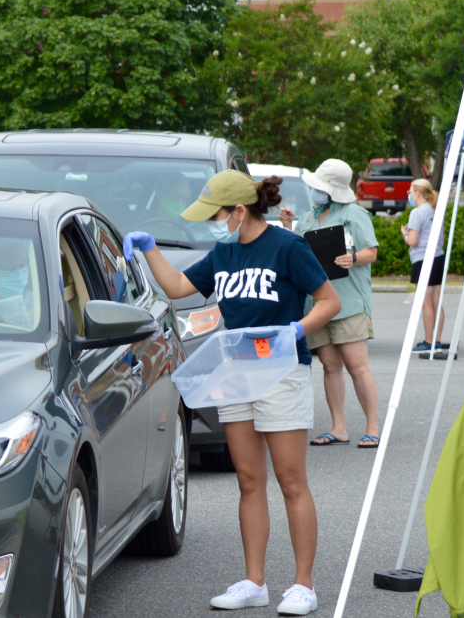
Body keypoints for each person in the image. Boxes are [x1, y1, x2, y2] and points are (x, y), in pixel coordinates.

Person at [123, 170, 341, 615]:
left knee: (291, 480)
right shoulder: (223, 252)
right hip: (238, 370)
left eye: (216, 214)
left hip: (281, 371)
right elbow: (180, 288)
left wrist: (295, 330)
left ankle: (303, 585)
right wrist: (150, 250)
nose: (212, 222)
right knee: (248, 480)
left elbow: (329, 301)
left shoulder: (288, 247)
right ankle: (254, 581)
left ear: (239, 211)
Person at [278, 159, 381, 450]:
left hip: (349, 302)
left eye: (319, 187)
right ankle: (339, 427)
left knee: (357, 365)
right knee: (330, 365)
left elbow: (371, 252)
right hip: (318, 304)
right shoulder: (309, 218)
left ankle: (373, 427)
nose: (314, 191)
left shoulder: (354, 214)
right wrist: (288, 225)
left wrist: (354, 258)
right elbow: (295, 249)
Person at [401, 179, 446, 351]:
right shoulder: (435, 210)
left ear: (418, 193)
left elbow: (413, 241)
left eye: (410, 192)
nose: (409, 195)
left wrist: (405, 234)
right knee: (436, 302)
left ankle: (429, 341)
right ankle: (437, 340)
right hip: (437, 257)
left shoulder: (417, 213)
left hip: (423, 259)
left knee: (426, 303)